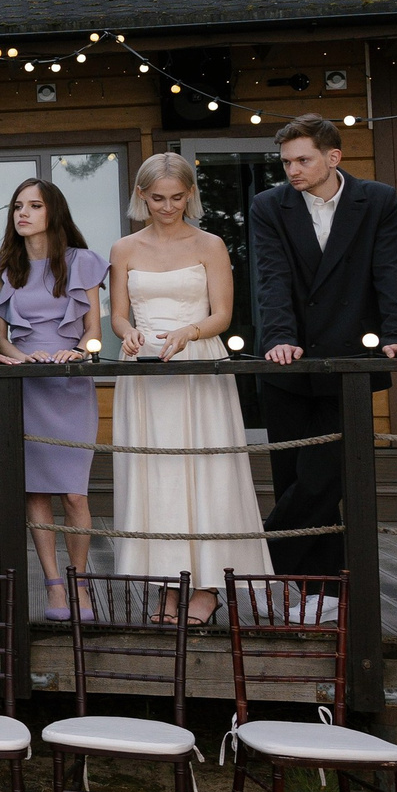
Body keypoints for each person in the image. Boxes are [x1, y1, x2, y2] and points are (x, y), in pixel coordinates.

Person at [250, 115, 397, 579]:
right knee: (293, 478)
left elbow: (389, 270)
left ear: (333, 157)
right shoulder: (269, 205)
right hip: (286, 362)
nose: (292, 169)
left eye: (303, 159)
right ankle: (314, 595)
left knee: (325, 478)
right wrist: (281, 337)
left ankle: (261, 561)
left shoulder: (377, 199)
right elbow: (272, 278)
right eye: (286, 161)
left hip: (349, 359)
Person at [110, 154, 270, 622]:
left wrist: (190, 333)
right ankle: (165, 580)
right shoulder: (124, 248)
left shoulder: (211, 243)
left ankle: (207, 585)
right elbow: (119, 313)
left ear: (190, 195)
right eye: (157, 198)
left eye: (177, 197)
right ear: (142, 196)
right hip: (143, 368)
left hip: (198, 359)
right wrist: (127, 332)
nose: (167, 206)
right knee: (154, 474)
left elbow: (222, 313)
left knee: (205, 470)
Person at [0, 180, 107, 621]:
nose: (23, 213)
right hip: (27, 381)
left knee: (74, 493)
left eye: (34, 205)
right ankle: (54, 586)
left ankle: (80, 583)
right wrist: (24, 357)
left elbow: (93, 331)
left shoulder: (83, 261)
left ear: (54, 211)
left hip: (70, 382)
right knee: (34, 489)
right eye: (17, 206)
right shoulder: (2, 266)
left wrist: (76, 351)